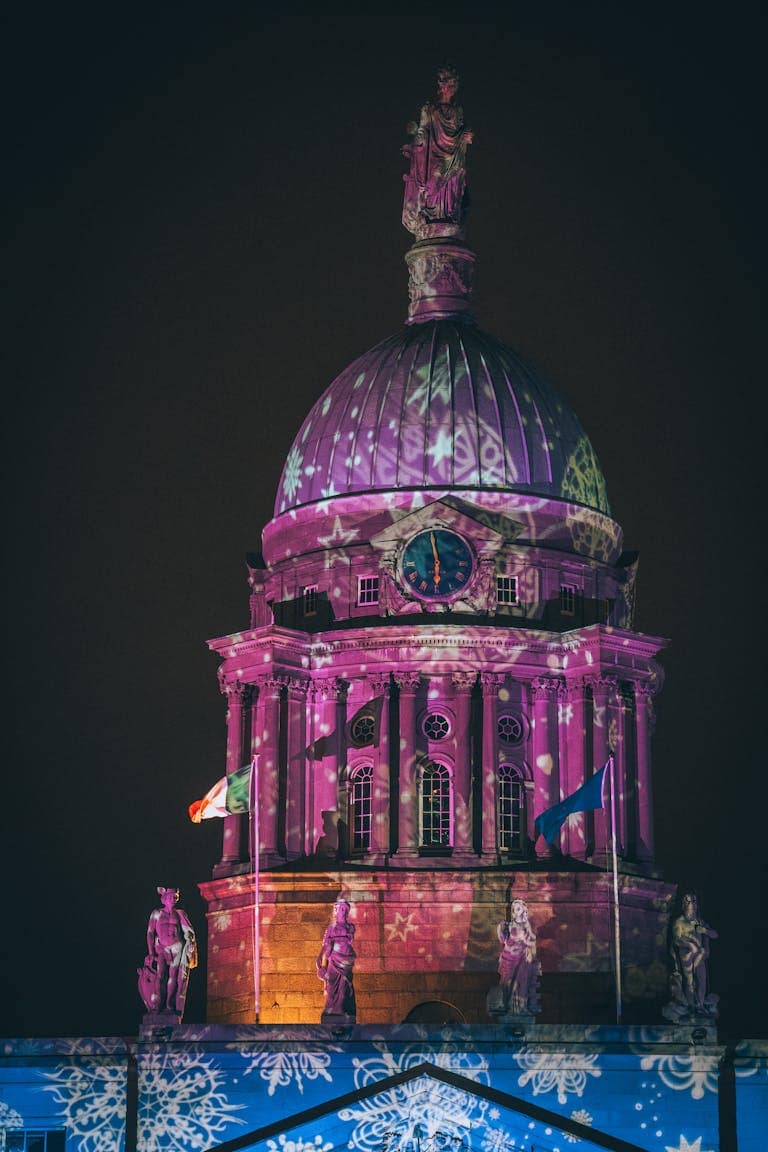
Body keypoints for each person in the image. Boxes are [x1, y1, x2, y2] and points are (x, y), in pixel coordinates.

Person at [402, 65, 474, 239]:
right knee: (434, 182)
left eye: (452, 85)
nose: (449, 88)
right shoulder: (429, 109)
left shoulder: (457, 111)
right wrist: (413, 146)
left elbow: (461, 132)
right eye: (446, 83)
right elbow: (422, 132)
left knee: (450, 187)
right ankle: (432, 217)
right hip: (433, 156)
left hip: (454, 156)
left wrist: (465, 135)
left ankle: (448, 217)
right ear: (441, 85)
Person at [138, 886, 197, 1017]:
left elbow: (187, 930)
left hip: (177, 947)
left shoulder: (180, 913)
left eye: (175, 897)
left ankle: (170, 1005)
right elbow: (150, 933)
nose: (173, 899)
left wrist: (190, 942)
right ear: (164, 899)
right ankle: (158, 1004)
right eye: (170, 897)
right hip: (162, 949)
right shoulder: (157, 913)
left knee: (173, 977)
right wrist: (151, 952)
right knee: (160, 976)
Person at [666, 891, 718, 1018]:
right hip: (687, 956)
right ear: (684, 905)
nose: (692, 904)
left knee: (701, 979)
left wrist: (704, 930)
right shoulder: (680, 922)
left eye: (694, 901)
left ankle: (700, 1005)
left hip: (700, 955)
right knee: (690, 981)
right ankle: (691, 1006)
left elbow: (715, 934)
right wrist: (689, 944)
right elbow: (676, 940)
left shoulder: (699, 921)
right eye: (688, 901)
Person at [497, 898, 540, 1015]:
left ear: (523, 910)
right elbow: (503, 940)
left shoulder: (526, 926)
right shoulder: (509, 925)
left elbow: (532, 940)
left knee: (521, 983)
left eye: (518, 908)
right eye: (514, 909)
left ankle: (520, 1008)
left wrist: (528, 947)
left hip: (521, 959)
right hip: (509, 959)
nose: (516, 911)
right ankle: (508, 1006)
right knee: (507, 982)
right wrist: (499, 929)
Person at [317, 898, 356, 1018]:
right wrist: (323, 965)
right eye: (338, 909)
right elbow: (326, 946)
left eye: (342, 909)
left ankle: (343, 1010)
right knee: (331, 989)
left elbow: (349, 941)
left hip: (345, 961)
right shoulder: (330, 928)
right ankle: (330, 1011)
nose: (340, 912)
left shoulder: (350, 927)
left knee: (344, 990)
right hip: (333, 961)